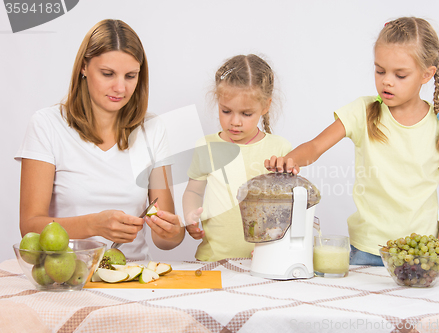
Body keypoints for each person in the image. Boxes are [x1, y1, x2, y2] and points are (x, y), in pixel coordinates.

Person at [265, 17, 439, 266]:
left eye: (400, 75)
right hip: (367, 251)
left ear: (427, 74)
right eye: (380, 70)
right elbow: (315, 147)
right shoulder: (362, 111)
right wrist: (289, 161)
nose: (386, 81)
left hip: (420, 254)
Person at [15, 19, 184, 260]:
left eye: (130, 76)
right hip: (66, 276)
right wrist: (93, 225)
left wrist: (175, 232)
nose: (120, 88)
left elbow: (165, 240)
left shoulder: (152, 128)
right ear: (84, 67)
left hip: (131, 277)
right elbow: (29, 227)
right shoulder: (46, 125)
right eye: (108, 74)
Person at [183, 54, 292, 261]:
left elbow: (288, 208)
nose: (235, 122)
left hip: (264, 260)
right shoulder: (206, 146)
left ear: (265, 106)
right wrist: (190, 215)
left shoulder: (280, 148)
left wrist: (276, 246)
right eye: (226, 111)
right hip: (212, 259)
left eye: (246, 114)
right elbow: (193, 191)